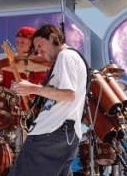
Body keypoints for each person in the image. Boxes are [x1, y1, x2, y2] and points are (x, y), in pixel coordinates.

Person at [11, 24, 87, 176]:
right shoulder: (69, 58)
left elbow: (68, 94)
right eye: (36, 49)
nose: (39, 51)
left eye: (40, 45)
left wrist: (32, 89)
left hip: (51, 133)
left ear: (53, 37)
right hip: (64, 135)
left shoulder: (66, 56)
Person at [0, 26, 49, 100]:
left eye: (23, 42)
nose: (19, 44)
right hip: (11, 108)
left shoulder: (44, 64)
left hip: (38, 108)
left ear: (33, 44)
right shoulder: (5, 65)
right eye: (17, 42)